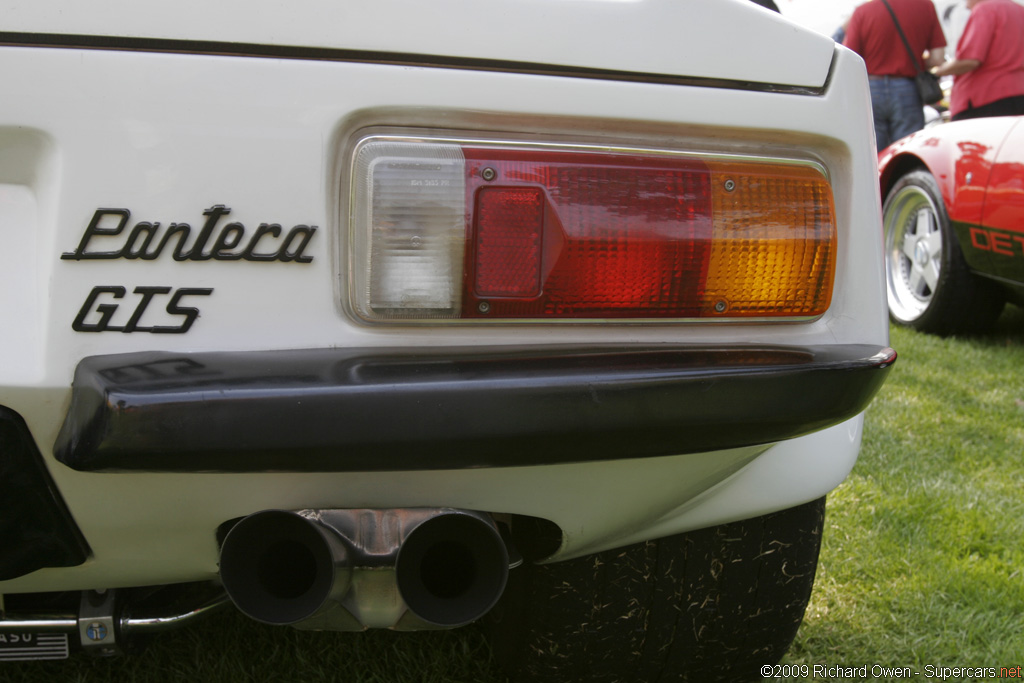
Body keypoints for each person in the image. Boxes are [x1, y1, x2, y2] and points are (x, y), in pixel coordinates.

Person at [843, 0, 947, 150]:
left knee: (872, 152)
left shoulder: (863, 11)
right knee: (907, 150)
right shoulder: (926, 6)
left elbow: (849, 57)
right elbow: (938, 58)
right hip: (908, 88)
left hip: (871, 90)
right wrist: (913, 62)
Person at [931, 0, 1024, 121]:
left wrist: (938, 71)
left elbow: (970, 60)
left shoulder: (985, 10)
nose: (966, 5)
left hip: (985, 97)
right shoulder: (1019, 10)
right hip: (1018, 92)